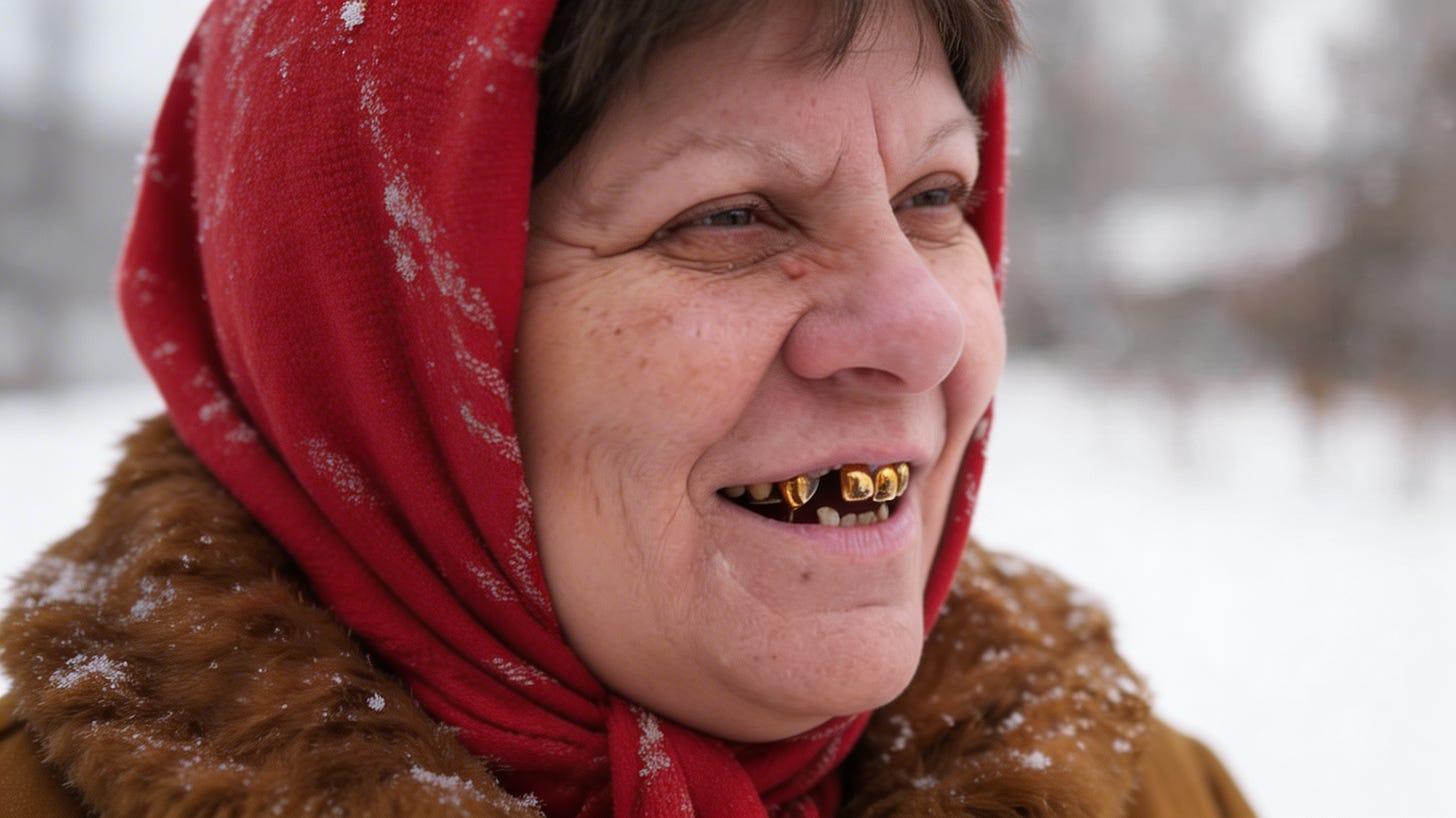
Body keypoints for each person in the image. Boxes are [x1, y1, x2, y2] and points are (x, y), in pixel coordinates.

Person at [0, 1, 1257, 815]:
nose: (923, 328)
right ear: (370, 332)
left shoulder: (1155, 793)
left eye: (934, 196)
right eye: (729, 216)